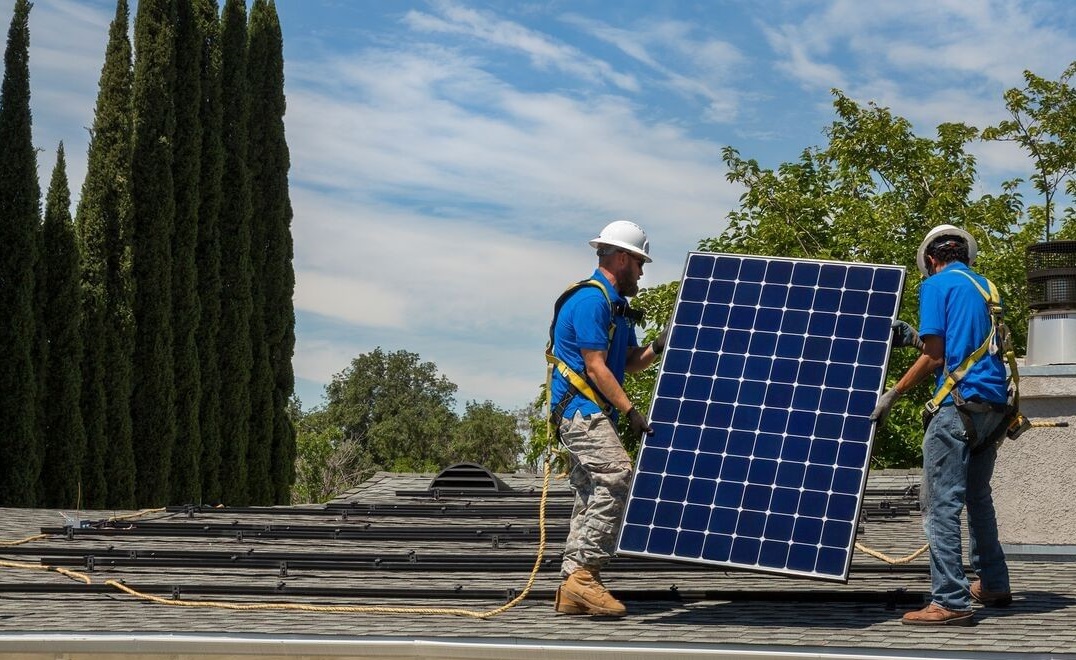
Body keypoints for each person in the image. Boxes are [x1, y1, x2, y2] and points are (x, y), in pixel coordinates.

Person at [871, 224, 1012, 626]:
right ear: (965, 255)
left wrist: (892, 394)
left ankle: (950, 599)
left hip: (955, 409)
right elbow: (966, 346)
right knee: (977, 498)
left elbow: (936, 358)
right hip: (992, 408)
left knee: (939, 506)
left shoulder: (935, 286)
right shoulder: (986, 287)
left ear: (932, 260)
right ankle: (993, 583)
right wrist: (916, 338)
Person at [546, 220, 666, 617]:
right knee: (616, 473)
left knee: (590, 491)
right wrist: (632, 411)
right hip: (580, 410)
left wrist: (659, 345)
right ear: (621, 258)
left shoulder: (617, 307)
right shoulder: (591, 301)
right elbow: (596, 367)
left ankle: (572, 586)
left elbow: (629, 363)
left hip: (593, 411)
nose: (642, 272)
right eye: (639, 263)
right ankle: (585, 576)